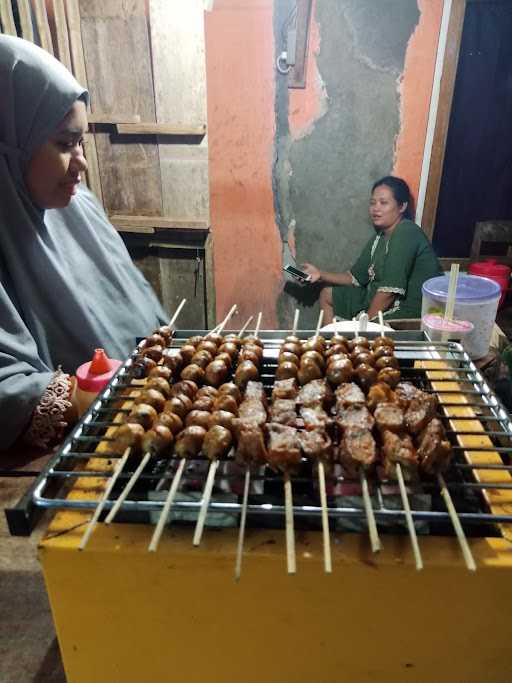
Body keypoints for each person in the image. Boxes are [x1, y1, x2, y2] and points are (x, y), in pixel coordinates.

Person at [0, 35, 168, 451]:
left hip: (147, 431)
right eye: (64, 143)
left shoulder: (76, 209)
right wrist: (92, 395)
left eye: (81, 142)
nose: (82, 165)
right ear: (10, 145)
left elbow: (137, 316)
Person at [303, 176, 443, 323]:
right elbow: (354, 277)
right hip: (377, 298)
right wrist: (320, 274)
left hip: (407, 309)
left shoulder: (406, 232)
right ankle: (332, 343)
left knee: (370, 326)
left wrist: (365, 324)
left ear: (402, 206)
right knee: (327, 294)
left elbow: (388, 292)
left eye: (383, 203)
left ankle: (356, 339)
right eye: (372, 203)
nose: (376, 208)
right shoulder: (379, 237)